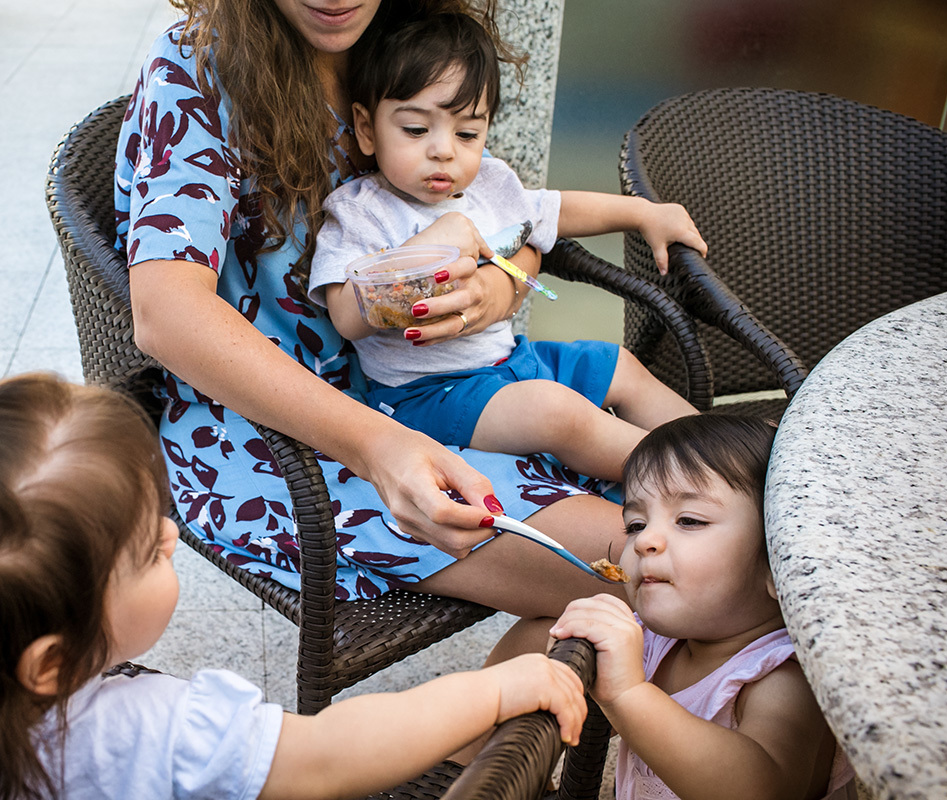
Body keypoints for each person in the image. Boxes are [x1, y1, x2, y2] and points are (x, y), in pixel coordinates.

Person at [0, 264, 589, 799]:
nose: (170, 532)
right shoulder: (134, 738)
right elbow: (330, 755)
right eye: (145, 550)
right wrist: (497, 689)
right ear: (50, 664)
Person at [117, 0, 643, 665]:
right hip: (271, 439)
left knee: (689, 542)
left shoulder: (397, 36)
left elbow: (493, 210)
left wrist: (506, 280)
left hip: (433, 391)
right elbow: (166, 314)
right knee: (673, 567)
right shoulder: (196, 70)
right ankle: (482, 749)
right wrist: (379, 447)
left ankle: (482, 751)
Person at [307, 13, 707, 485]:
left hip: (510, 364)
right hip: (425, 397)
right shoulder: (361, 212)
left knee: (618, 364)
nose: (443, 151)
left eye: (467, 133)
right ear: (367, 128)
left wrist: (642, 213)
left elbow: (557, 210)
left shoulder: (490, 189)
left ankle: (722, 446)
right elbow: (346, 316)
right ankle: (694, 479)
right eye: (416, 130)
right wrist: (427, 245)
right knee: (557, 412)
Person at [550, 415, 857, 799]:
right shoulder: (654, 642)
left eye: (689, 520)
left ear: (779, 562)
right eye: (635, 524)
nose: (646, 541)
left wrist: (628, 695)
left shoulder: (783, 676)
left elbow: (764, 787)